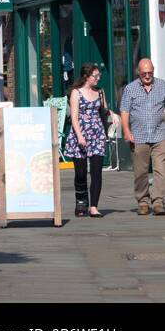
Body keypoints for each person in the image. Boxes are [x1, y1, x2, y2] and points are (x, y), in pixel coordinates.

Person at [121, 58, 165, 216]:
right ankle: (143, 201)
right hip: (138, 136)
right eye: (144, 73)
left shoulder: (162, 86)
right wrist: (126, 131)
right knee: (140, 172)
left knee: (161, 170)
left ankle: (158, 201)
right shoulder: (130, 89)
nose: (147, 76)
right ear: (138, 72)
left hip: (160, 134)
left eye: (150, 73)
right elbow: (125, 111)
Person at [65, 63, 109, 218]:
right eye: (95, 76)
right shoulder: (76, 93)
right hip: (80, 134)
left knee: (96, 172)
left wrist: (114, 115)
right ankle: (81, 202)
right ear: (86, 76)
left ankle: (94, 206)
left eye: (99, 76)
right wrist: (80, 136)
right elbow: (74, 118)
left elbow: (105, 111)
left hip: (97, 134)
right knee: (81, 173)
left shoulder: (100, 93)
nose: (98, 78)